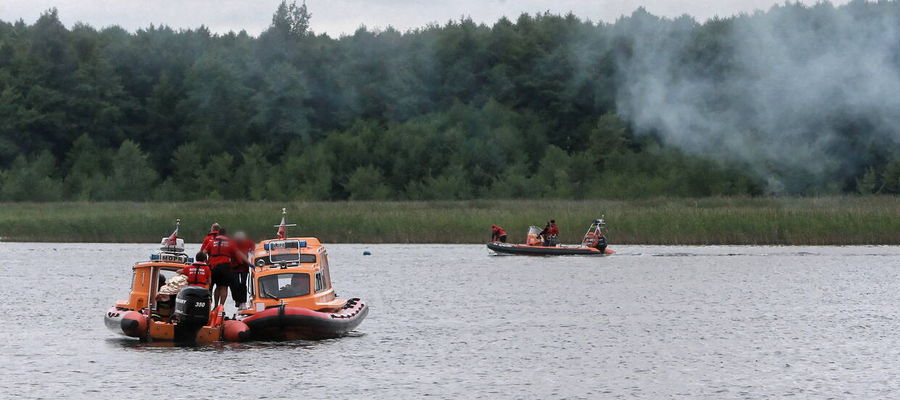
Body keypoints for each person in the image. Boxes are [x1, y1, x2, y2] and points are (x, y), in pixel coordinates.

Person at [200, 227, 250, 308]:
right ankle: (221, 306)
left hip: (213, 267)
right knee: (224, 287)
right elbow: (239, 254)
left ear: (218, 234)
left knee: (217, 287)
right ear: (226, 235)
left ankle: (215, 306)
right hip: (225, 266)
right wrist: (249, 263)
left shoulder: (212, 242)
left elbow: (203, 253)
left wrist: (205, 262)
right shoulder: (230, 243)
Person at [232, 231, 255, 308]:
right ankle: (237, 300)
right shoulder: (232, 243)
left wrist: (253, 262)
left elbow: (253, 252)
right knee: (235, 284)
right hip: (234, 266)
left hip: (244, 266)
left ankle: (243, 302)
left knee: (243, 284)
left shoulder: (248, 243)